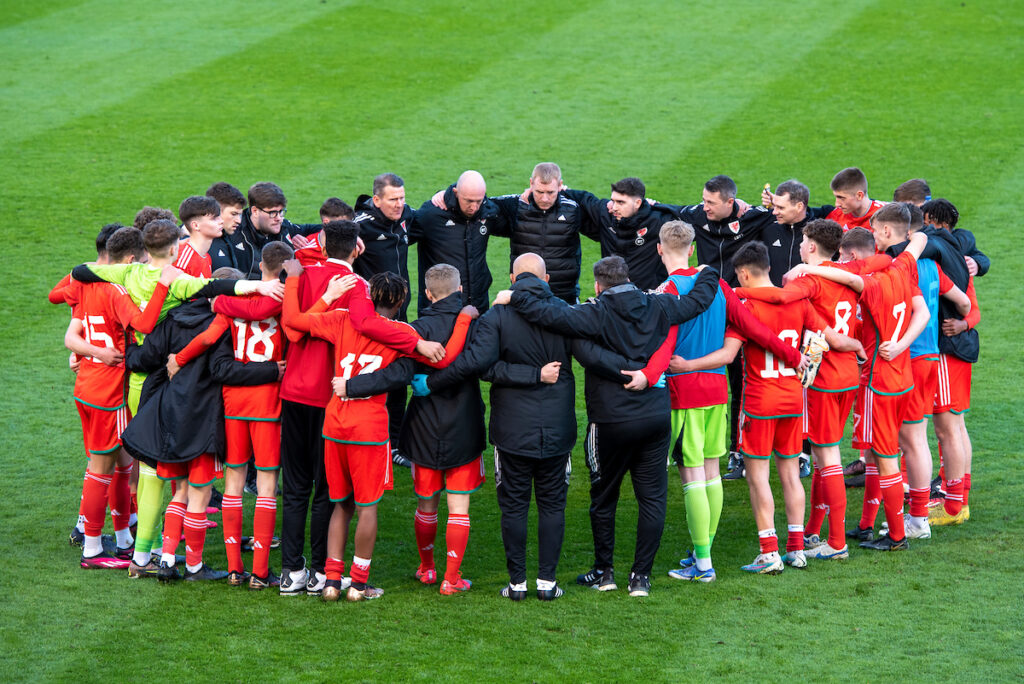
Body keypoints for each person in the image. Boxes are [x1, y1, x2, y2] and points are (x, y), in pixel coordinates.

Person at [70, 218, 285, 577]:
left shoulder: (125, 274)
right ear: (175, 249)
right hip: (186, 398)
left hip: (146, 384)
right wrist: (258, 288)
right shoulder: (189, 290)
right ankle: (155, 552)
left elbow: (79, 273)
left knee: (149, 471)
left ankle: (144, 553)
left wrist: (90, 348)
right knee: (182, 482)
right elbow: (216, 286)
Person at [498, 255, 722, 597]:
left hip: (609, 421)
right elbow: (699, 301)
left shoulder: (592, 312)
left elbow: (548, 314)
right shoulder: (660, 305)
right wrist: (709, 271)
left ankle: (605, 572)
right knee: (652, 498)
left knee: (604, 497)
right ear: (628, 277)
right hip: (654, 416)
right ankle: (641, 577)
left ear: (598, 285)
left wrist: (516, 296)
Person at [427, 254, 644, 600]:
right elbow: (593, 357)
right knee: (552, 505)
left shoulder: (498, 315)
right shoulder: (566, 315)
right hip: (557, 429)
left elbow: (482, 368)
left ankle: (516, 584)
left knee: (513, 506)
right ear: (547, 277)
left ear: (512, 278)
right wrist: (641, 372)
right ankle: (546, 583)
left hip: (511, 430)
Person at [282, 264, 473, 602]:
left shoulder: (342, 319)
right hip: (369, 430)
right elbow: (444, 359)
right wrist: (464, 318)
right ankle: (357, 584)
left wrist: (298, 279)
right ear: (400, 302)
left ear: (368, 296)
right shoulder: (404, 334)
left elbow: (294, 322)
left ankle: (330, 581)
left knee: (339, 505)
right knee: (367, 507)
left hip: (334, 424)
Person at [654, 222, 804, 581]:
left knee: (692, 476)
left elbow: (658, 345)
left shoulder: (666, 290)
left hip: (683, 391)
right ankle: (701, 552)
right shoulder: (719, 285)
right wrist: (795, 358)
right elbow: (756, 330)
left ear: (660, 250)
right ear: (691, 249)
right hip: (719, 394)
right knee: (711, 473)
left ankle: (703, 563)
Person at [703, 241, 860, 573]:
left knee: (758, 476)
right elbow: (826, 338)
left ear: (743, 274)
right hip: (794, 399)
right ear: (769, 268)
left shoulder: (743, 305)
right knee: (791, 474)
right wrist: (857, 345)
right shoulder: (799, 302)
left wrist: (685, 364)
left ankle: (769, 551)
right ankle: (797, 548)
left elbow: (729, 355)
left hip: (760, 402)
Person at [120, 269, 282, 582]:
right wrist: (272, 371)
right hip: (206, 417)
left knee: (179, 490)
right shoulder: (223, 324)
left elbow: (147, 357)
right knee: (200, 491)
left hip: (172, 412)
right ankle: (194, 565)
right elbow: (223, 369)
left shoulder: (175, 315)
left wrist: (123, 351)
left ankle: (166, 560)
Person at [338, 264, 485, 595]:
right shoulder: (477, 324)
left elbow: (396, 373)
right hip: (464, 425)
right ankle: (452, 578)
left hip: (423, 427)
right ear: (459, 290)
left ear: (428, 294)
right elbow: (479, 364)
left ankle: (427, 568)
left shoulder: (414, 329)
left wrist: (351, 385)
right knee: (459, 505)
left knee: (426, 503)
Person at [795, 206, 931, 551]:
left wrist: (811, 268)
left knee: (881, 457)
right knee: (876, 453)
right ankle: (869, 525)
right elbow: (920, 244)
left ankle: (895, 535)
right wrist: (901, 344)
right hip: (903, 376)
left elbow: (856, 279)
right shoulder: (902, 267)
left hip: (875, 380)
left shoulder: (870, 285)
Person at [167, 242, 298, 589]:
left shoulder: (230, 303)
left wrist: (178, 360)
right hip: (268, 402)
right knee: (267, 487)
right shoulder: (286, 302)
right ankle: (259, 572)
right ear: (283, 269)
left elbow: (208, 339)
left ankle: (235, 569)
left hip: (233, 406)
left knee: (234, 485)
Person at [738, 220, 871, 559]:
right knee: (819, 455)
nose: (798, 248)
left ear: (811, 246)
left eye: (803, 243)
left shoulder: (809, 283)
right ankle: (811, 529)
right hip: (848, 376)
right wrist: (856, 343)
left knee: (827, 458)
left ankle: (837, 543)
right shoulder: (847, 275)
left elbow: (781, 297)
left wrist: (735, 294)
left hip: (821, 378)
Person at [63, 229, 174, 568]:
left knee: (124, 463)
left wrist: (93, 351)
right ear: (130, 260)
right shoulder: (116, 290)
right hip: (109, 393)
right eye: (141, 261)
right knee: (102, 467)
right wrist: (163, 287)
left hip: (87, 387)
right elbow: (145, 322)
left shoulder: (87, 284)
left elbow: (71, 336)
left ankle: (123, 535)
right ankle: (93, 548)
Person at [663, 175, 776, 481]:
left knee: (741, 383)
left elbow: (791, 218)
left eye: (711, 202)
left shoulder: (755, 218)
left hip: (736, 309)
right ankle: (683, 444)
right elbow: (666, 209)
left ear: (730, 203)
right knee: (701, 377)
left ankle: (737, 451)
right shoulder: (696, 216)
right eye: (704, 200)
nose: (705, 207)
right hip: (708, 308)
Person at [489, 163, 587, 304]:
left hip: (564, 296)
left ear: (560, 185)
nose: (545, 198)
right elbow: (480, 203)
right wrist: (446, 195)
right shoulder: (516, 206)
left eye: (550, 192)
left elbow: (603, 217)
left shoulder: (574, 208)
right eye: (540, 192)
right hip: (525, 295)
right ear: (531, 183)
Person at [560, 177, 678, 291]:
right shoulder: (606, 213)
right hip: (612, 298)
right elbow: (584, 199)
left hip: (647, 301)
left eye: (621, 202)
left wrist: (660, 206)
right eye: (613, 200)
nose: (614, 207)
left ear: (637, 203)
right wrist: (561, 190)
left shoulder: (659, 221)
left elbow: (691, 216)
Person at [417, 171, 509, 315]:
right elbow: (398, 234)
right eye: (468, 201)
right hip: (440, 310)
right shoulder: (432, 215)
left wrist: (531, 195)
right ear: (456, 192)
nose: (474, 207)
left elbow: (519, 222)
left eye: (478, 201)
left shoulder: (488, 212)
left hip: (478, 306)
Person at [213, 182, 320, 279]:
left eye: (281, 211)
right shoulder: (233, 232)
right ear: (255, 211)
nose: (279, 218)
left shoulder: (283, 227)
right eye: (272, 213)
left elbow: (311, 229)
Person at [174, 195, 223, 278]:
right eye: (214, 218)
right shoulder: (183, 260)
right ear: (196, 225)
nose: (221, 221)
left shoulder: (206, 257)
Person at [825, 167, 884, 231]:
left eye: (842, 198)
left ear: (859, 195)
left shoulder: (885, 218)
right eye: (836, 197)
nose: (837, 204)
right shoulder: (836, 215)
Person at [207, 182, 247, 272]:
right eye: (234, 214)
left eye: (240, 215)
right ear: (216, 211)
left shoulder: (233, 235)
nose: (239, 221)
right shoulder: (193, 243)